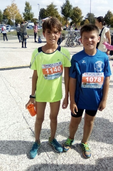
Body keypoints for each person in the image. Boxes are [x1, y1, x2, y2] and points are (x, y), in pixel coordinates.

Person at [62, 24, 111, 159]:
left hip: (94, 100)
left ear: (98, 39)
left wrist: (104, 99)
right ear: (81, 40)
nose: (89, 40)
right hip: (78, 100)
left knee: (89, 121)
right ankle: (70, 138)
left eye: (92, 37)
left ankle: (84, 142)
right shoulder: (77, 58)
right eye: (85, 38)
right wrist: (72, 101)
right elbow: (72, 80)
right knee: (74, 122)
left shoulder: (103, 58)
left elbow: (107, 79)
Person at [25, 17, 71, 159]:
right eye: (49, 32)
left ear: (60, 33)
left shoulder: (64, 53)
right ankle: (37, 142)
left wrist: (67, 96)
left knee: (54, 117)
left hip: (56, 95)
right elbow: (35, 76)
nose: (53, 35)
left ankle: (52, 139)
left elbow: (67, 77)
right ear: (43, 33)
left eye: (56, 32)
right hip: (40, 95)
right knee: (39, 118)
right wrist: (32, 96)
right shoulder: (37, 53)